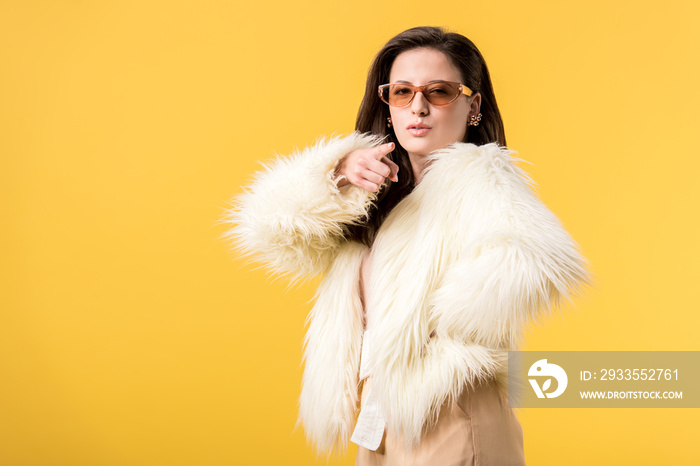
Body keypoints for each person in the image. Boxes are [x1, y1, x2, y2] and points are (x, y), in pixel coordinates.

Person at [225, 26, 590, 465]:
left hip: (450, 414)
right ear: (387, 103)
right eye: (402, 92)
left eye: (439, 92)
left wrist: (434, 329)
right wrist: (335, 175)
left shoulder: (482, 179)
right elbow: (273, 231)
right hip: (381, 422)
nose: (418, 107)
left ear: (471, 105)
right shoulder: (375, 194)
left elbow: (538, 259)